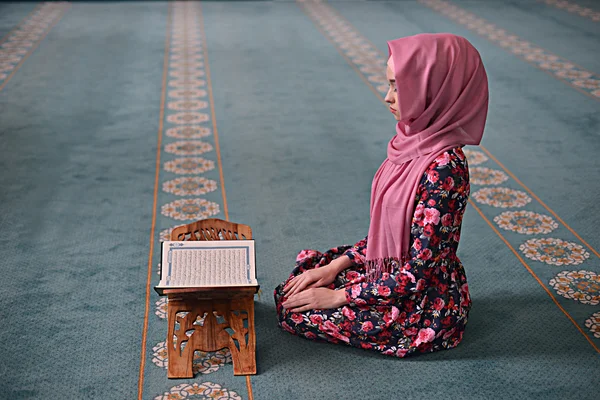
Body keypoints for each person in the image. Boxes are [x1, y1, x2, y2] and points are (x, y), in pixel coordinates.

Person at [274, 33, 489, 357]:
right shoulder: (414, 142)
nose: (387, 97)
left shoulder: (444, 169)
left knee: (298, 311)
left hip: (421, 302)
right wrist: (334, 268)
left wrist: (338, 297)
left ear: (434, 90)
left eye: (398, 87)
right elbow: (391, 235)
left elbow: (418, 272)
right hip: (393, 269)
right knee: (301, 283)